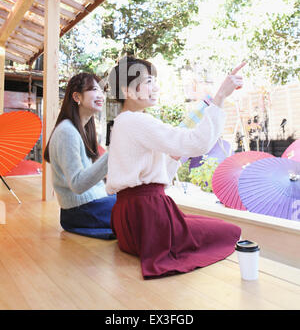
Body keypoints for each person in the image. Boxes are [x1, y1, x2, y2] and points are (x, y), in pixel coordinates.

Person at [106, 56, 245, 279]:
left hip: (129, 221)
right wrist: (220, 97)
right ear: (128, 91)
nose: (156, 87)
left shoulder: (122, 122)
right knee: (230, 231)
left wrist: (173, 157)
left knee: (206, 223)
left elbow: (153, 176)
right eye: (148, 81)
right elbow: (198, 143)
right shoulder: (138, 121)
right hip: (148, 219)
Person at [44, 72, 116, 239]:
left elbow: (92, 176)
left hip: (91, 204)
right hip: (81, 210)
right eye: (93, 89)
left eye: (102, 90)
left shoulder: (84, 129)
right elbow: (77, 185)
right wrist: (114, 152)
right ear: (76, 97)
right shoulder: (67, 132)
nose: (100, 95)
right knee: (139, 208)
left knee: (137, 200)